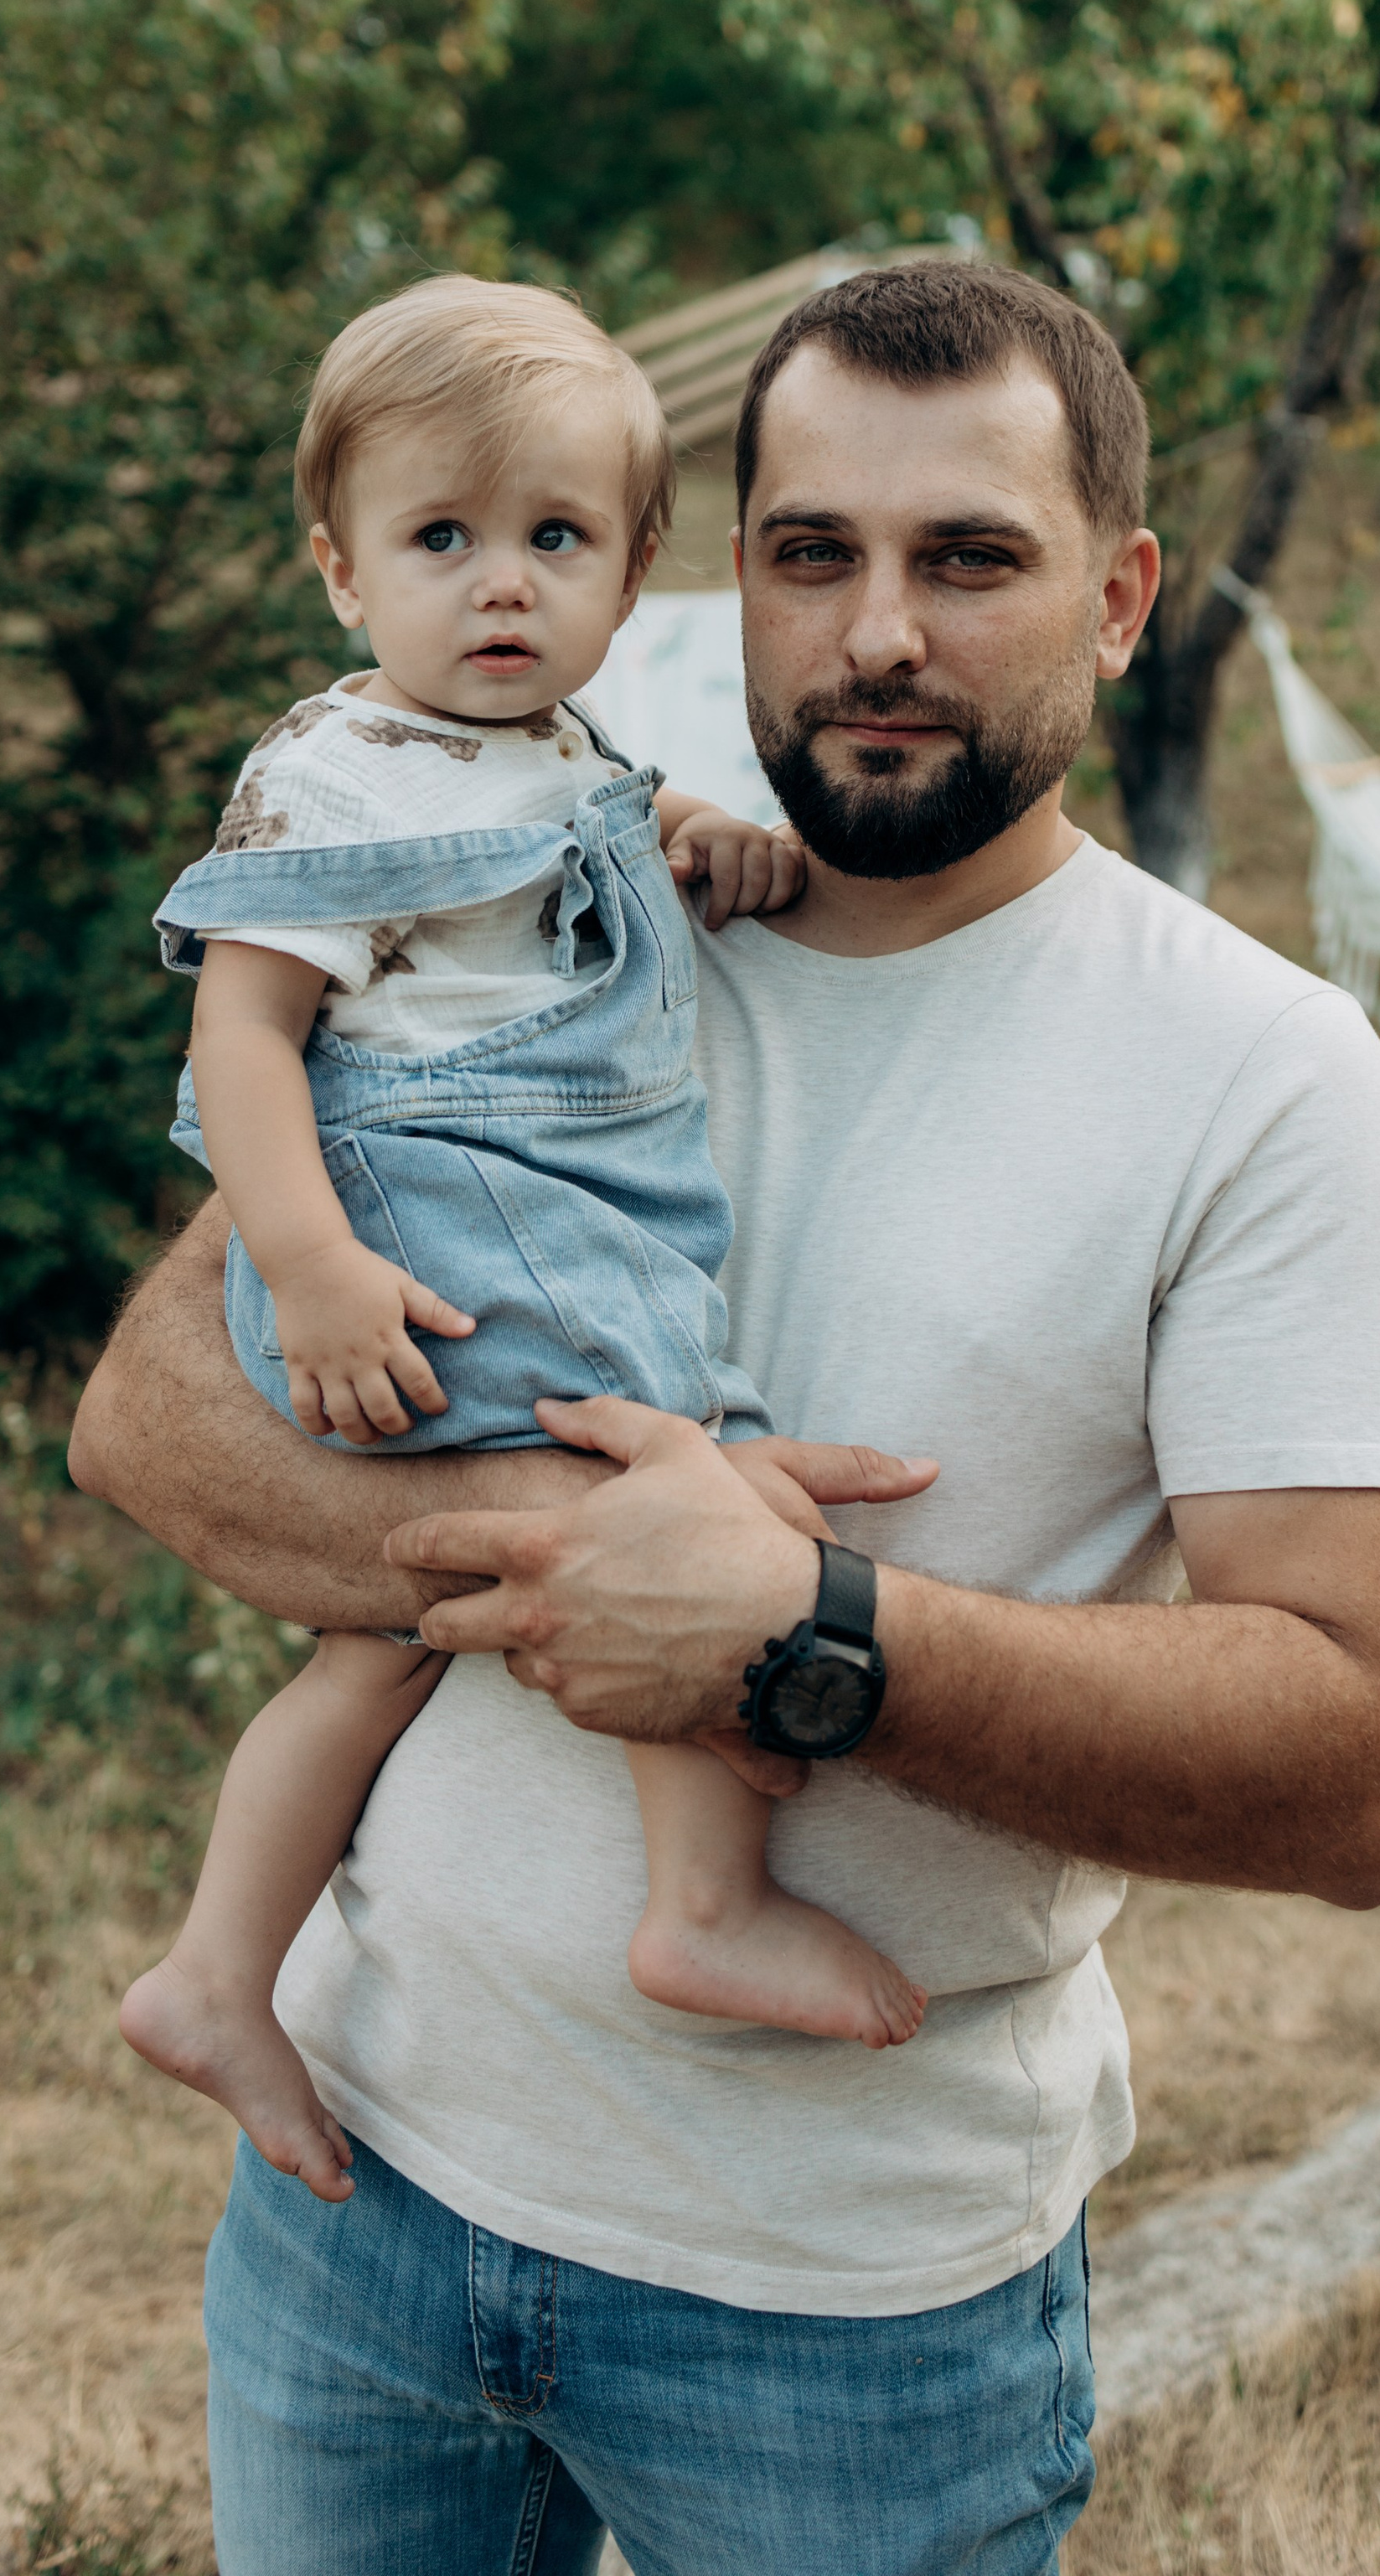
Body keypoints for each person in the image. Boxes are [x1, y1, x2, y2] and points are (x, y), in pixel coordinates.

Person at [70, 259, 1380, 2576]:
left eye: (971, 558)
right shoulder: (549, 900)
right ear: (727, 579)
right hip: (365, 2199)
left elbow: (1358, 1764)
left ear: (1119, 598)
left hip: (842, 2318)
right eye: (813, 553)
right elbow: (153, 1417)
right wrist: (589, 1548)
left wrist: (806, 1627)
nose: (880, 631)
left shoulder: (1259, 1076)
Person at [120, 279, 930, 2206]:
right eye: (439, 540)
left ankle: (217, 1969)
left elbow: (577, 865)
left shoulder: (559, 757)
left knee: (371, 1646)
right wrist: (309, 1270)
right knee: (673, 1484)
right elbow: (243, 1039)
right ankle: (702, 1901)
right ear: (339, 568)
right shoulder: (336, 778)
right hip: (427, 1210)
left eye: (552, 539)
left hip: (517, 1194)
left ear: (636, 566)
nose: (499, 587)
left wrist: (701, 846)